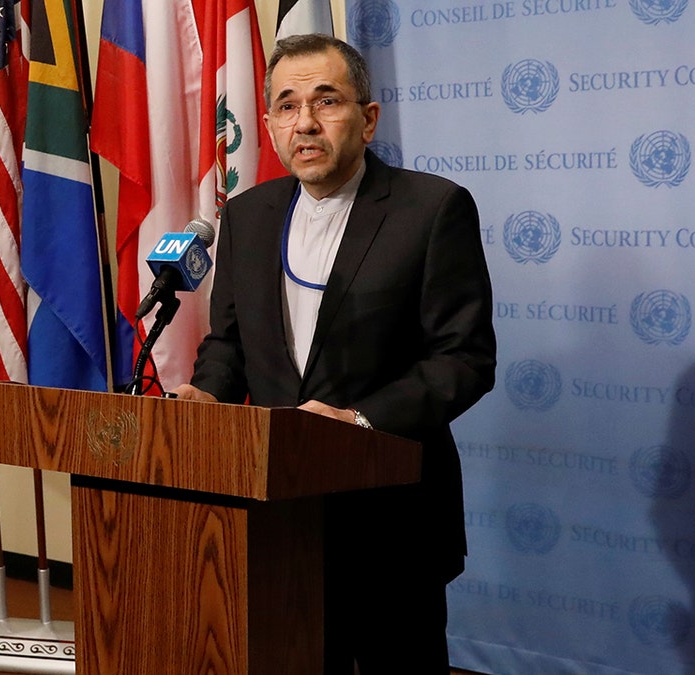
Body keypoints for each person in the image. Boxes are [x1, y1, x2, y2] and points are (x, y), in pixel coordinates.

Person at [170, 33, 496, 673]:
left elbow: (463, 359)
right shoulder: (247, 215)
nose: (305, 123)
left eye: (327, 101)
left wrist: (358, 421)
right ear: (267, 124)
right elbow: (229, 341)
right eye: (286, 107)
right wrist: (206, 393)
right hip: (272, 515)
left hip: (390, 516)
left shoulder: (432, 209)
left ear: (369, 119)